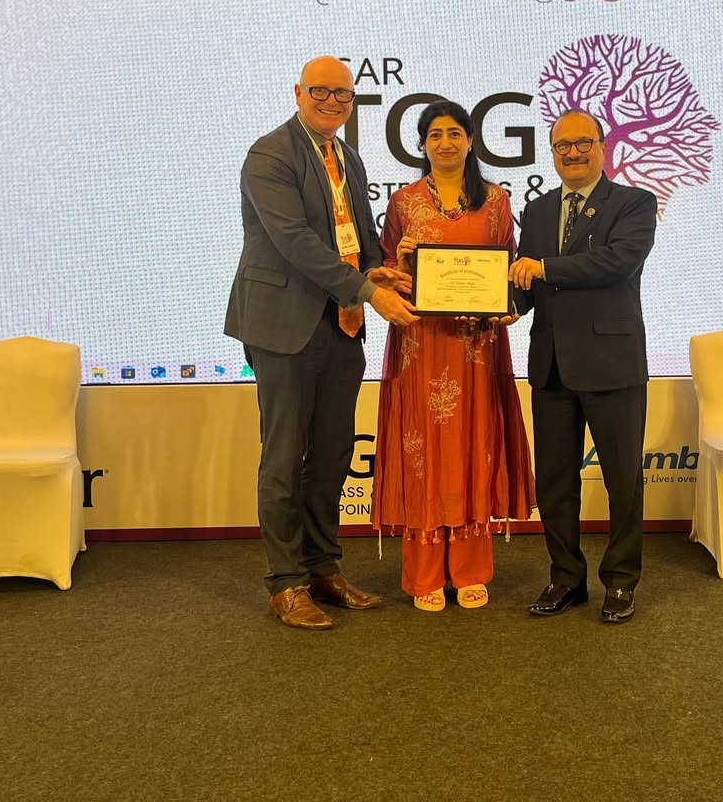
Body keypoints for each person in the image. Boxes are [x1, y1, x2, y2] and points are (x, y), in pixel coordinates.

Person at [225, 56, 417, 631]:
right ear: (298, 92)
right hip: (285, 325)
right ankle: (284, 583)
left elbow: (355, 231)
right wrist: (365, 289)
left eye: (342, 94)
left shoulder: (346, 156)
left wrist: (377, 270)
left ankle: (322, 569)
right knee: (285, 456)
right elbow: (293, 240)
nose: (333, 101)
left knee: (333, 452)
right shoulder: (270, 154)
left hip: (342, 323)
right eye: (321, 91)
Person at [371, 100, 535, 611]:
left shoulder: (497, 200)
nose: (445, 142)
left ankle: (469, 569)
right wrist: (397, 271)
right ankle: (424, 573)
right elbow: (386, 271)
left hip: (476, 347)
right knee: (422, 452)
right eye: (435, 134)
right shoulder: (402, 202)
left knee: (473, 446)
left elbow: (507, 268)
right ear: (422, 145)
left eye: (454, 133)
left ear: (470, 141)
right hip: (420, 344)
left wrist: (505, 306)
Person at [509, 109, 657, 623]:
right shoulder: (536, 210)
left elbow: (616, 262)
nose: (572, 153)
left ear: (602, 147)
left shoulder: (634, 202)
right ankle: (566, 577)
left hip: (611, 363)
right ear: (552, 153)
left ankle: (621, 581)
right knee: (554, 482)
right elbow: (524, 283)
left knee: (622, 479)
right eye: (562, 146)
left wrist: (543, 268)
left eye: (582, 143)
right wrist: (501, 306)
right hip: (551, 364)